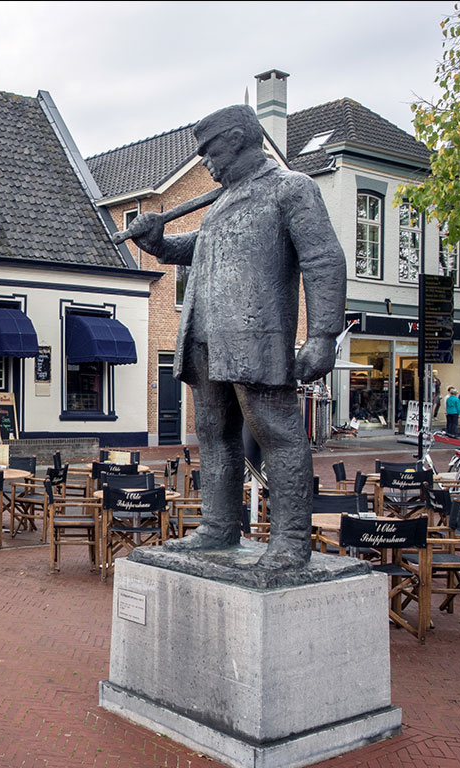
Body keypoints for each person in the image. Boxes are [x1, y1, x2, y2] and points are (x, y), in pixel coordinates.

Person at [125, 104, 346, 571]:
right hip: (204, 336)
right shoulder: (222, 201)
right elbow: (196, 247)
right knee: (214, 434)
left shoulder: (291, 189)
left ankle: (289, 541)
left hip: (255, 336)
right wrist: (158, 241)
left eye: (210, 151)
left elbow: (323, 259)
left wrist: (323, 334)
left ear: (241, 139)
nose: (205, 162)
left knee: (277, 433)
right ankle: (219, 526)